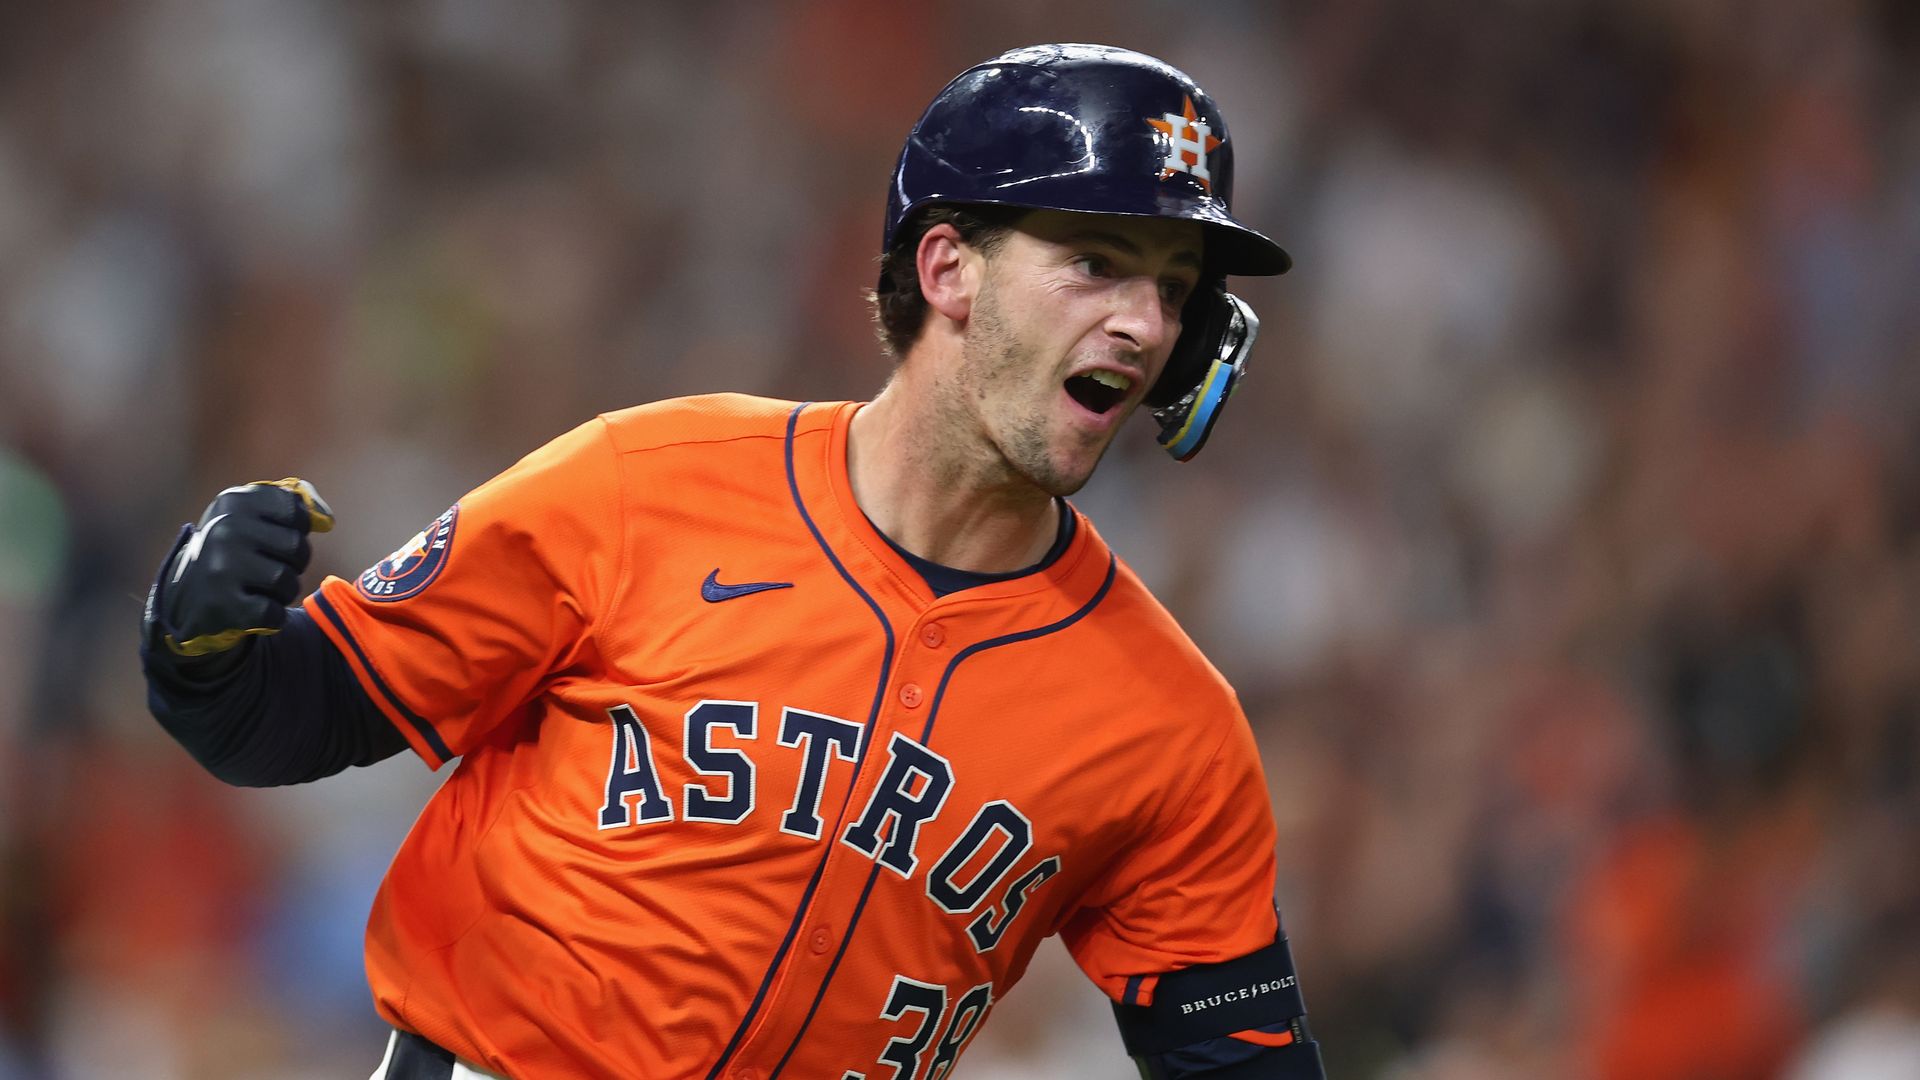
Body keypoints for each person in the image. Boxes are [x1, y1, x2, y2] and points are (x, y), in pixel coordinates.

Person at [140, 43, 1325, 1080]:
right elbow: (283, 721)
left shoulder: (1175, 732)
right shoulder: (646, 481)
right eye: (1097, 263)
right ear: (949, 267)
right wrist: (199, 651)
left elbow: (1240, 1059)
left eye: (1173, 290)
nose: (1144, 323)